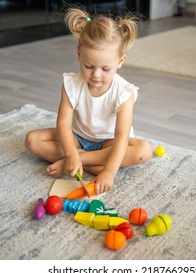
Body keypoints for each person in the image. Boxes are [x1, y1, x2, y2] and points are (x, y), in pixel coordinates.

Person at [25, 7, 152, 194]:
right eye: (88, 66)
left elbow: (121, 137)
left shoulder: (124, 92)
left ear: (120, 61)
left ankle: (81, 161)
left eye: (105, 69)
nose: (96, 75)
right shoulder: (71, 84)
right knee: (32, 140)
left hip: (109, 143)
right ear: (78, 55)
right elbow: (63, 123)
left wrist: (109, 172)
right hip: (78, 138)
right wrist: (70, 152)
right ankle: (87, 163)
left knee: (143, 151)